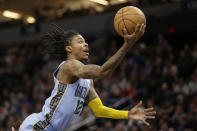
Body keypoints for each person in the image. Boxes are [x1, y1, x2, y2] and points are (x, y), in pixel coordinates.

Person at [12, 24, 156, 131]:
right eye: (80, 41)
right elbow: (102, 71)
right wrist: (126, 45)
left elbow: (99, 110)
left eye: (85, 41)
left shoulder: (87, 81)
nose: (86, 44)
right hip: (40, 125)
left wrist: (127, 114)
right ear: (68, 48)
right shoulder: (69, 66)